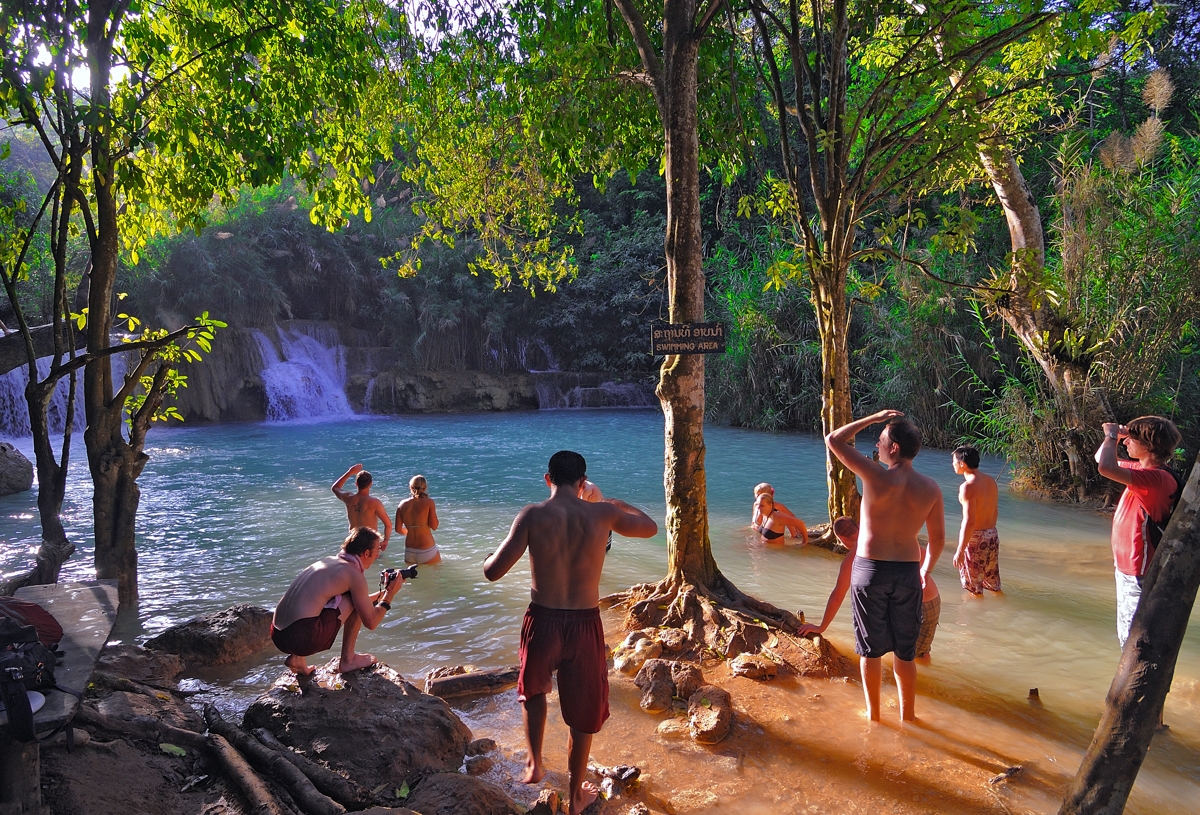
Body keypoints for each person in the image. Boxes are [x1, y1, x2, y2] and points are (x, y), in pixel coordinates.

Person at [483, 451, 658, 815]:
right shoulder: (602, 514)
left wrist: (487, 556)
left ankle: (534, 763)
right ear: (583, 483)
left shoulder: (532, 515)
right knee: (582, 712)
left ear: (547, 479)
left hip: (542, 620)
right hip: (584, 623)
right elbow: (650, 526)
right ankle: (577, 795)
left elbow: (493, 572)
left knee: (533, 687)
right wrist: (612, 501)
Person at [825, 410, 945, 722]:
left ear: (893, 448)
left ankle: (874, 715)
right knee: (905, 653)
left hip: (870, 571)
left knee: (870, 649)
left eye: (880, 441)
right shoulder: (931, 488)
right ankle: (909, 717)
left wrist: (875, 417)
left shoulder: (875, 476)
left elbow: (833, 439)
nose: (876, 446)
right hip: (907, 571)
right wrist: (926, 570)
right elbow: (938, 541)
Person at [798, 516, 941, 660]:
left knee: (910, 657)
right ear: (858, 527)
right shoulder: (888, 537)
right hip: (931, 601)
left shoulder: (854, 558)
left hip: (915, 605)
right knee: (916, 654)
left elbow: (837, 596)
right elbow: (924, 556)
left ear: (841, 539)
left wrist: (821, 627)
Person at [1095, 416, 1181, 648]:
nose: (1125, 443)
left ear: (1148, 445)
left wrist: (1112, 435)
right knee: (1127, 632)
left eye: (1131, 439)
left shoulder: (1158, 478)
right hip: (1128, 567)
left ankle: (1133, 682)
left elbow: (1105, 467)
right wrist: (1119, 436)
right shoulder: (1144, 470)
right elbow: (1100, 459)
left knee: (1134, 638)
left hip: (1138, 570)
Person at [271, 527, 403, 675]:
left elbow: (361, 600)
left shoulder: (330, 562)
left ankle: (297, 659)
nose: (378, 555)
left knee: (319, 601)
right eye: (377, 551)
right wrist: (390, 594)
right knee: (354, 601)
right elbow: (371, 621)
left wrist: (384, 592)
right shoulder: (353, 574)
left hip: (278, 634)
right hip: (302, 637)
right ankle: (348, 660)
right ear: (366, 553)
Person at [951, 446, 1001, 595]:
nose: (952, 464)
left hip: (976, 539)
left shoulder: (967, 487)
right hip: (992, 535)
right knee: (993, 584)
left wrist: (960, 549)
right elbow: (995, 511)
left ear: (962, 463)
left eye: (954, 461)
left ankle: (970, 618)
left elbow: (969, 521)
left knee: (974, 589)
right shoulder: (990, 481)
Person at [332, 464, 392, 551]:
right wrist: (385, 540)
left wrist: (350, 472)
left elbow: (335, 487)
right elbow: (388, 525)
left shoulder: (348, 498)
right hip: (369, 543)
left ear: (356, 484)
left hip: (353, 540)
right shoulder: (374, 502)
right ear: (370, 484)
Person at [395, 475, 441, 565]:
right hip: (426, 548)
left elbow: (398, 529)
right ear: (425, 487)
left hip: (409, 550)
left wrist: (411, 531)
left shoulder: (402, 504)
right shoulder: (429, 502)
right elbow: (434, 526)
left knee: (412, 577)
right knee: (434, 576)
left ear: (410, 487)